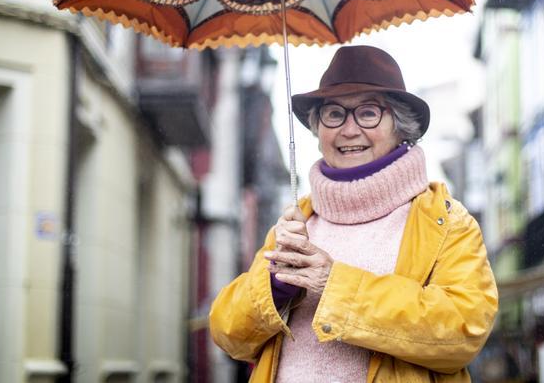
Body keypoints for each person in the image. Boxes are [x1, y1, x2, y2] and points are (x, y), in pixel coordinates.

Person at [209, 45, 498, 382]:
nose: (348, 129)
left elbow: (463, 330)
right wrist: (273, 287)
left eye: (368, 112)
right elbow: (227, 331)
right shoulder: (296, 224)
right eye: (333, 113)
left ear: (400, 126)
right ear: (318, 129)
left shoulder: (446, 222)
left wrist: (334, 286)